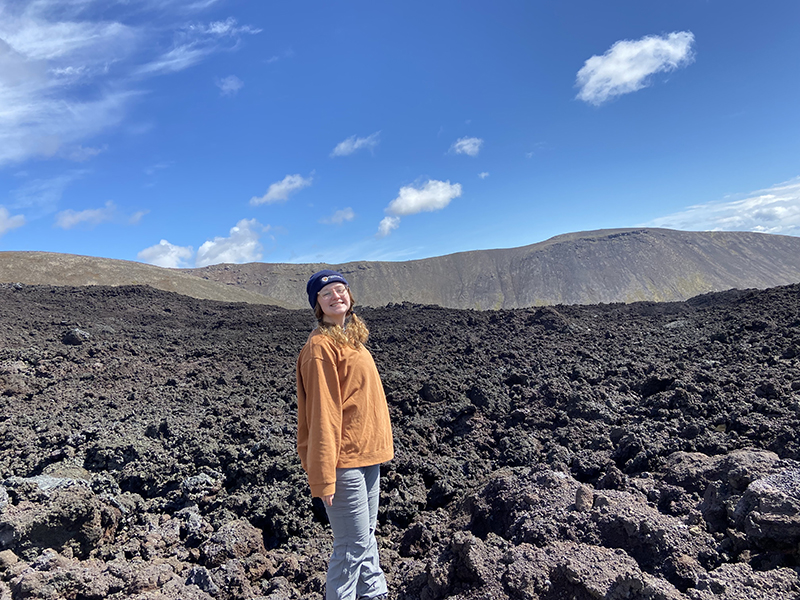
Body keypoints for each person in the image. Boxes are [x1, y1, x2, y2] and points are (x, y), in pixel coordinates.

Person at [296, 270, 394, 600]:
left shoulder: (351, 340)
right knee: (350, 547)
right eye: (327, 294)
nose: (337, 296)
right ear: (317, 306)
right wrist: (323, 477)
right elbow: (322, 414)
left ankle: (375, 594)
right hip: (343, 463)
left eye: (341, 290)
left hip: (367, 457)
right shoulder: (320, 347)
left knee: (365, 537)